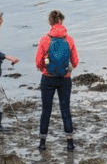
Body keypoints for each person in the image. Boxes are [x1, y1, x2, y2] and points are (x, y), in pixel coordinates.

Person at [34, 10, 79, 151]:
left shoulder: (45, 39)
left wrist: (44, 69)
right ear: (62, 22)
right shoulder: (69, 39)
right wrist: (68, 70)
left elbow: (38, 62)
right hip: (65, 79)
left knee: (46, 110)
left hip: (48, 78)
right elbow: (75, 61)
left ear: (50, 22)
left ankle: (42, 143)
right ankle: (70, 142)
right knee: (65, 109)